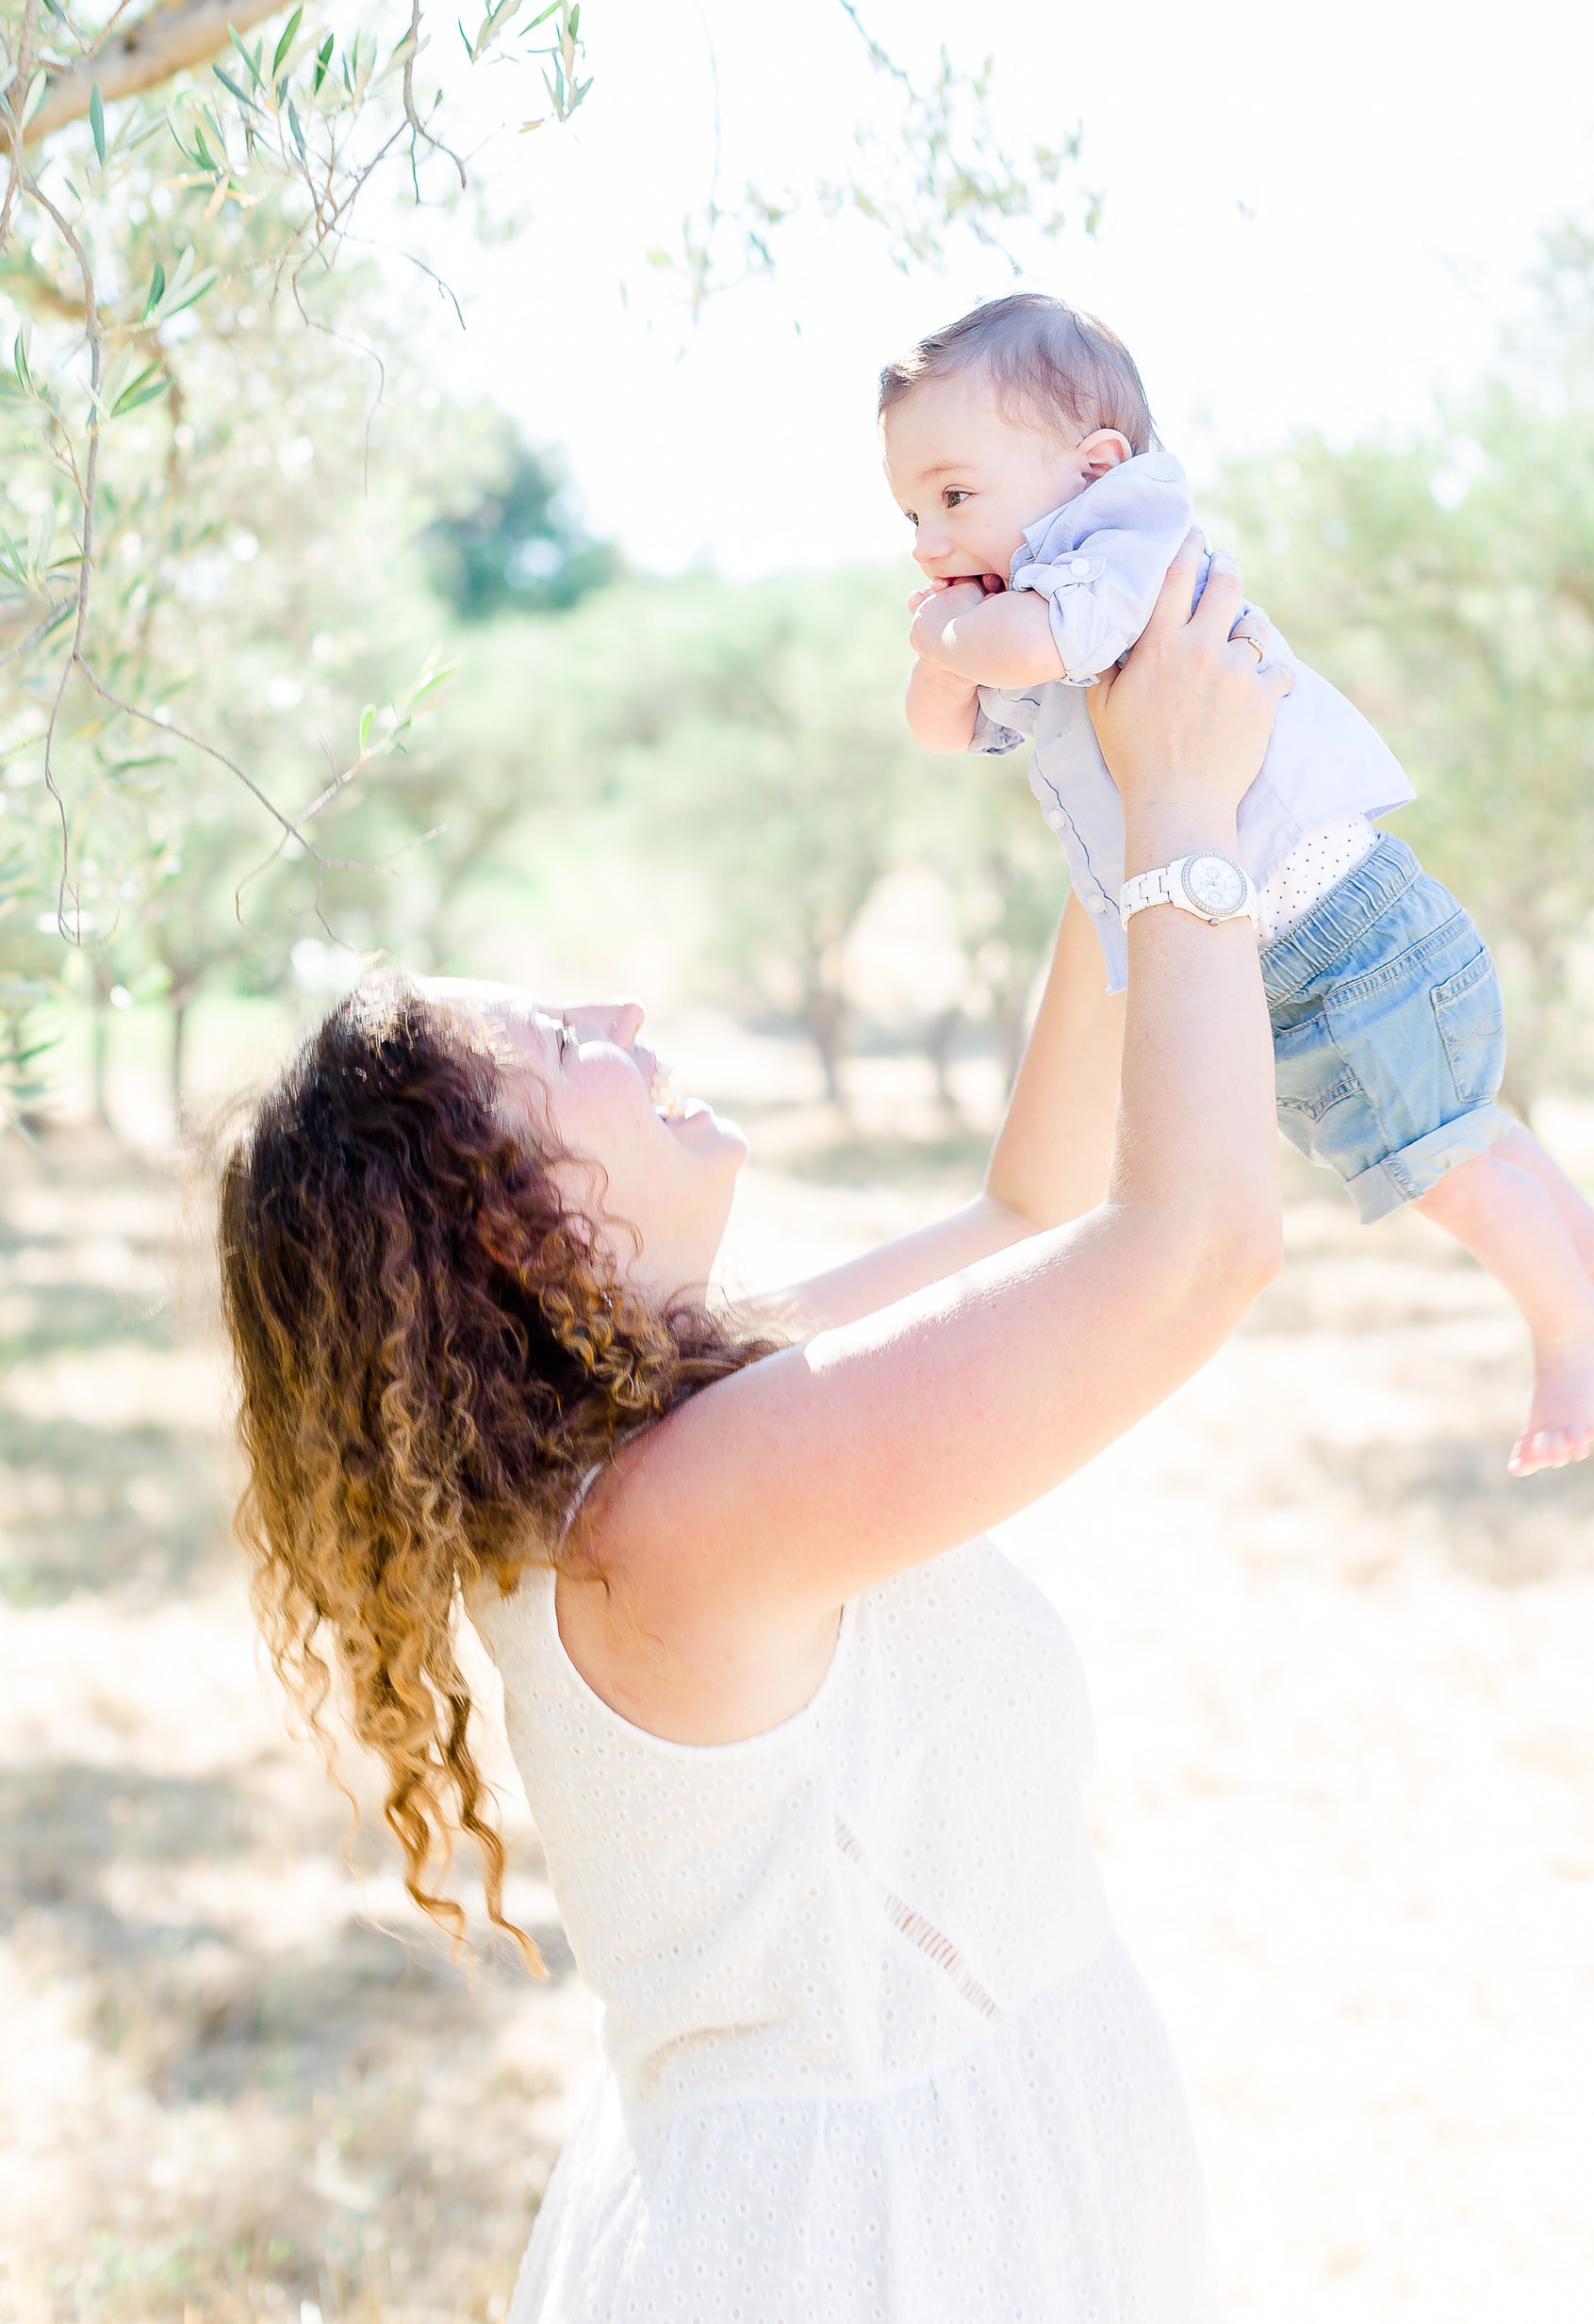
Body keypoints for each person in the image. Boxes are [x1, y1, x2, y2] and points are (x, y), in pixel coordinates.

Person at [220, 542, 1290, 2324]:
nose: (626, 1016)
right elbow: (1193, 1250)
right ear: (508, 1218)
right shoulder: (678, 1520)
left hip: (964, 2174)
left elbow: (1030, 1207)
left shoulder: (671, 1437)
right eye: (561, 1040)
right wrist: (1186, 814)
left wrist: (1103, 802)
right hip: (864, 2252)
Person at [880, 291, 1594, 1474]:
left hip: (1336, 935)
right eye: (909, 514)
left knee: (1433, 1165)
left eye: (952, 497)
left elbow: (1033, 651)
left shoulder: (1123, 539)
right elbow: (947, 729)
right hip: (1300, 952)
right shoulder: (1018, 596)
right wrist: (944, 654)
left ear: (1092, 464)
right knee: (1448, 1125)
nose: (931, 541)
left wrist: (949, 635)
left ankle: (1569, 1318)